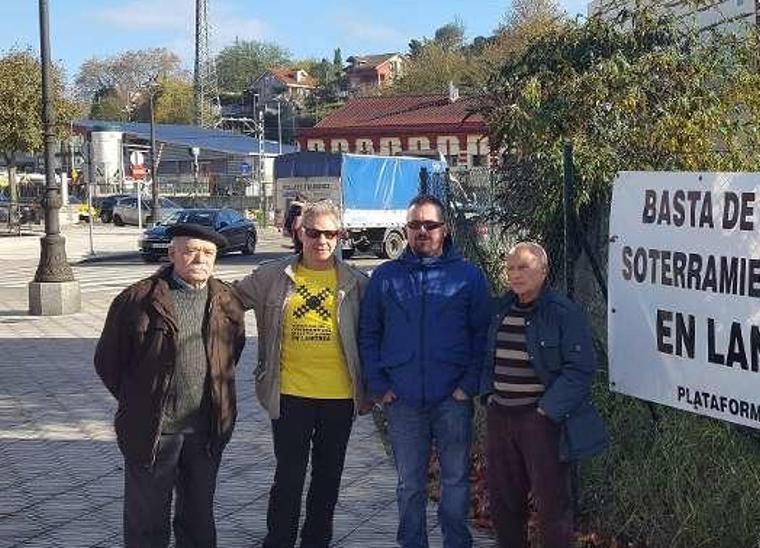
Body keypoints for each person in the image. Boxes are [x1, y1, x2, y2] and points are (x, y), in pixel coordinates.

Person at [94, 223, 246, 548]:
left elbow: (232, 353)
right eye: (191, 251)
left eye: (208, 253)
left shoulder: (227, 301)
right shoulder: (138, 299)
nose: (199, 259)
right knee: (146, 522)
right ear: (172, 253)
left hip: (206, 430)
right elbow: (108, 361)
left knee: (198, 520)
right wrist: (140, 399)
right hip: (152, 430)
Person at [359, 194, 491, 548]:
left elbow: (482, 335)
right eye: (415, 225)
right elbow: (369, 334)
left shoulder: (468, 277)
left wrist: (468, 386)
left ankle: (457, 543)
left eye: (430, 225)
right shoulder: (385, 277)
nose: (422, 231)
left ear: (444, 230)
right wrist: (379, 385)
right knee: (410, 484)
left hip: (453, 399)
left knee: (456, 480)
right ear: (406, 229)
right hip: (402, 400)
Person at [235, 200, 369, 548]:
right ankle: (278, 540)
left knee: (328, 478)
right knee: (289, 477)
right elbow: (228, 299)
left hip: (339, 397)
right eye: (313, 233)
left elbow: (378, 332)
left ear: (340, 237)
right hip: (290, 393)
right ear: (300, 232)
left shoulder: (357, 283)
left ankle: (316, 541)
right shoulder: (272, 276)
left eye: (330, 233)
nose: (321, 240)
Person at [480, 242, 609, 548]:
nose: (515, 274)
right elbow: (488, 358)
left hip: (540, 422)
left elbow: (580, 368)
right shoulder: (500, 310)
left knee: (552, 505)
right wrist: (488, 395)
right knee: (504, 504)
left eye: (523, 267)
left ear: (543, 270)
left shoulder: (563, 313)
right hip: (501, 418)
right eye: (510, 268)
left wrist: (546, 410)